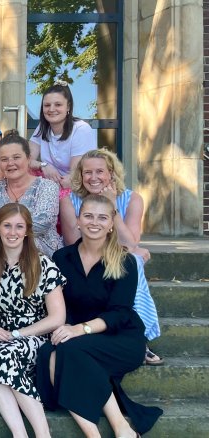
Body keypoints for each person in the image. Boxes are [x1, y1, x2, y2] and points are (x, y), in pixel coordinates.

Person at [37, 194, 163, 437]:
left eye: (102, 217)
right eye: (88, 216)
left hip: (121, 338)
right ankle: (96, 432)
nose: (95, 222)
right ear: (78, 220)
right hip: (78, 338)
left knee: (69, 350)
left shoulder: (125, 261)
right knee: (48, 353)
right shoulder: (62, 258)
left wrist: (79, 329)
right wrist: (68, 329)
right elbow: (56, 305)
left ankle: (120, 426)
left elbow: (120, 313)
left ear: (112, 223)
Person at [60, 149, 163, 365]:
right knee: (133, 258)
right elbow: (74, 241)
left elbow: (129, 244)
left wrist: (112, 208)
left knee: (132, 260)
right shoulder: (70, 200)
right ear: (80, 175)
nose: (94, 177)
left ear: (112, 174)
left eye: (100, 171)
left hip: (116, 256)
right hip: (86, 258)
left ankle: (139, 336)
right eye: (87, 172)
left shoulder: (132, 198)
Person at [0, 203, 66, 438]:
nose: (12, 232)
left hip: (35, 335)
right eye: (7, 226)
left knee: (5, 354)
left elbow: (57, 317)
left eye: (19, 227)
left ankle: (43, 434)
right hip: (1, 334)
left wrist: (18, 334)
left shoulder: (43, 264)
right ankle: (19, 434)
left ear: (27, 231)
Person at [0, 131, 62, 262]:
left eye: (16, 157)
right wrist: (1, 221)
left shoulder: (47, 186)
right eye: (4, 159)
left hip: (38, 244)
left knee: (14, 243)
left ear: (28, 159)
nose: (10, 163)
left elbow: (41, 223)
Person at [29, 83, 97, 190]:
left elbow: (75, 176)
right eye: (47, 105)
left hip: (78, 186)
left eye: (58, 105)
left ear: (68, 106)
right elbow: (26, 160)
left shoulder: (81, 129)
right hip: (52, 185)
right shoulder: (42, 128)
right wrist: (43, 165)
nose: (51, 109)